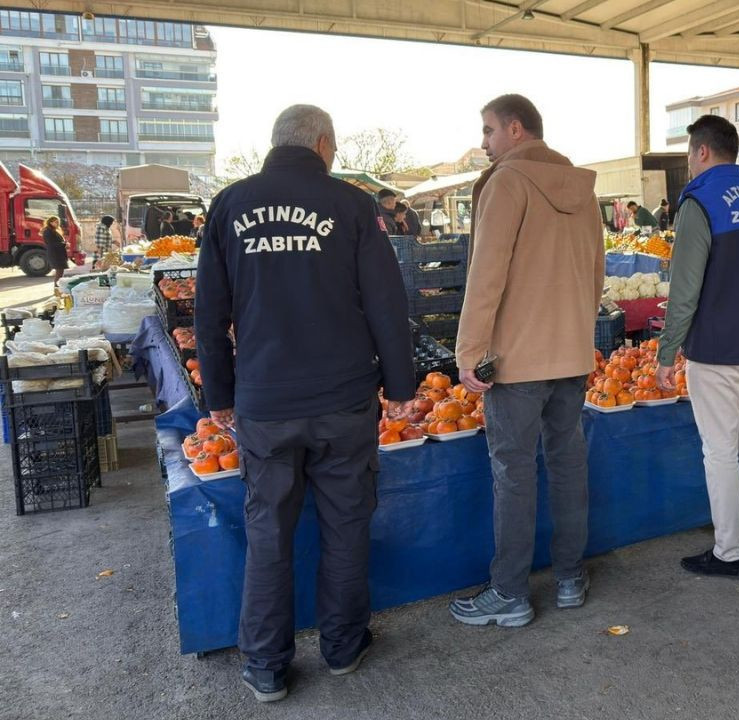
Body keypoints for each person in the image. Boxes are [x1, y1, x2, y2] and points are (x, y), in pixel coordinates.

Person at [195, 104, 415, 703]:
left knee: (269, 531)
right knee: (345, 526)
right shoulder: (350, 205)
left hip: (265, 402)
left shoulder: (231, 205)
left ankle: (266, 665)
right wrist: (400, 388)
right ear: (322, 143)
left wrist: (219, 393)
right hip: (344, 401)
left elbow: (209, 312)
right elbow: (386, 306)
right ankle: (343, 647)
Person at [450, 94, 603, 626]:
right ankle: (569, 577)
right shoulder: (584, 188)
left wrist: (469, 350)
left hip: (516, 359)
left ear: (515, 129)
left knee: (513, 473)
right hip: (571, 353)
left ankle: (510, 593)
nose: (484, 142)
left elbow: (485, 274)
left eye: (488, 130)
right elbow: (595, 273)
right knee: (567, 465)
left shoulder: (507, 182)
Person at [656, 114, 739, 579]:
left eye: (690, 154)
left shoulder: (701, 203)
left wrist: (666, 351)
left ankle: (728, 552)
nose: (690, 163)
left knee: (719, 450)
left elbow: (683, 290)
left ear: (702, 152)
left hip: (716, 347)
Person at [42, 216, 68, 289]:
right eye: (56, 222)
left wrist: (64, 243)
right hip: (55, 254)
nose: (58, 223)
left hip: (59, 253)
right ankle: (57, 288)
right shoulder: (48, 231)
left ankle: (58, 287)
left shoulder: (54, 230)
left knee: (60, 271)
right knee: (59, 272)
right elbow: (51, 244)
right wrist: (64, 244)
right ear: (51, 222)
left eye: (58, 222)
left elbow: (57, 242)